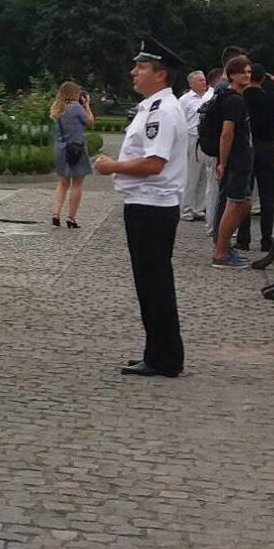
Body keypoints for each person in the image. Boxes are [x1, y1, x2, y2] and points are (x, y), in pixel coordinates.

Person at [92, 36, 189, 378]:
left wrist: (112, 166)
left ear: (160, 74)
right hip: (146, 204)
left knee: (154, 283)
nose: (134, 72)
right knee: (150, 283)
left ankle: (164, 358)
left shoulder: (162, 111)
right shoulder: (152, 107)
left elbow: (153, 163)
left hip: (152, 206)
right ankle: (159, 352)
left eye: (142, 66)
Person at [235, 65, 274, 252]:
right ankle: (266, 239)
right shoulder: (270, 98)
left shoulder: (240, 97)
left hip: (245, 146)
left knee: (244, 194)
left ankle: (243, 238)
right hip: (266, 147)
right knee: (267, 195)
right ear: (264, 78)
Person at [206, 56, 255, 269]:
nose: (247, 75)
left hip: (239, 158)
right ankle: (221, 253)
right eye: (243, 72)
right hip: (236, 159)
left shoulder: (229, 97)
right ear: (232, 75)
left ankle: (224, 246)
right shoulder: (234, 100)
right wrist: (223, 162)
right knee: (234, 204)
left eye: (249, 72)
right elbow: (227, 133)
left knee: (243, 203)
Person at [51, 81, 94, 229]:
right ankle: (71, 217)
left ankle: (56, 214)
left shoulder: (57, 107)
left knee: (62, 183)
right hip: (76, 149)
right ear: (75, 94)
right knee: (77, 184)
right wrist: (87, 105)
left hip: (61, 149)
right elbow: (90, 121)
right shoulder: (76, 108)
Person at [176, 70, 214, 222]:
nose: (203, 83)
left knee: (205, 175)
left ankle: (199, 208)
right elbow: (179, 121)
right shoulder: (185, 100)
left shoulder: (210, 96)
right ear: (191, 84)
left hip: (207, 138)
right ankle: (186, 208)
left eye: (204, 80)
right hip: (192, 137)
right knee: (192, 175)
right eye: (200, 80)